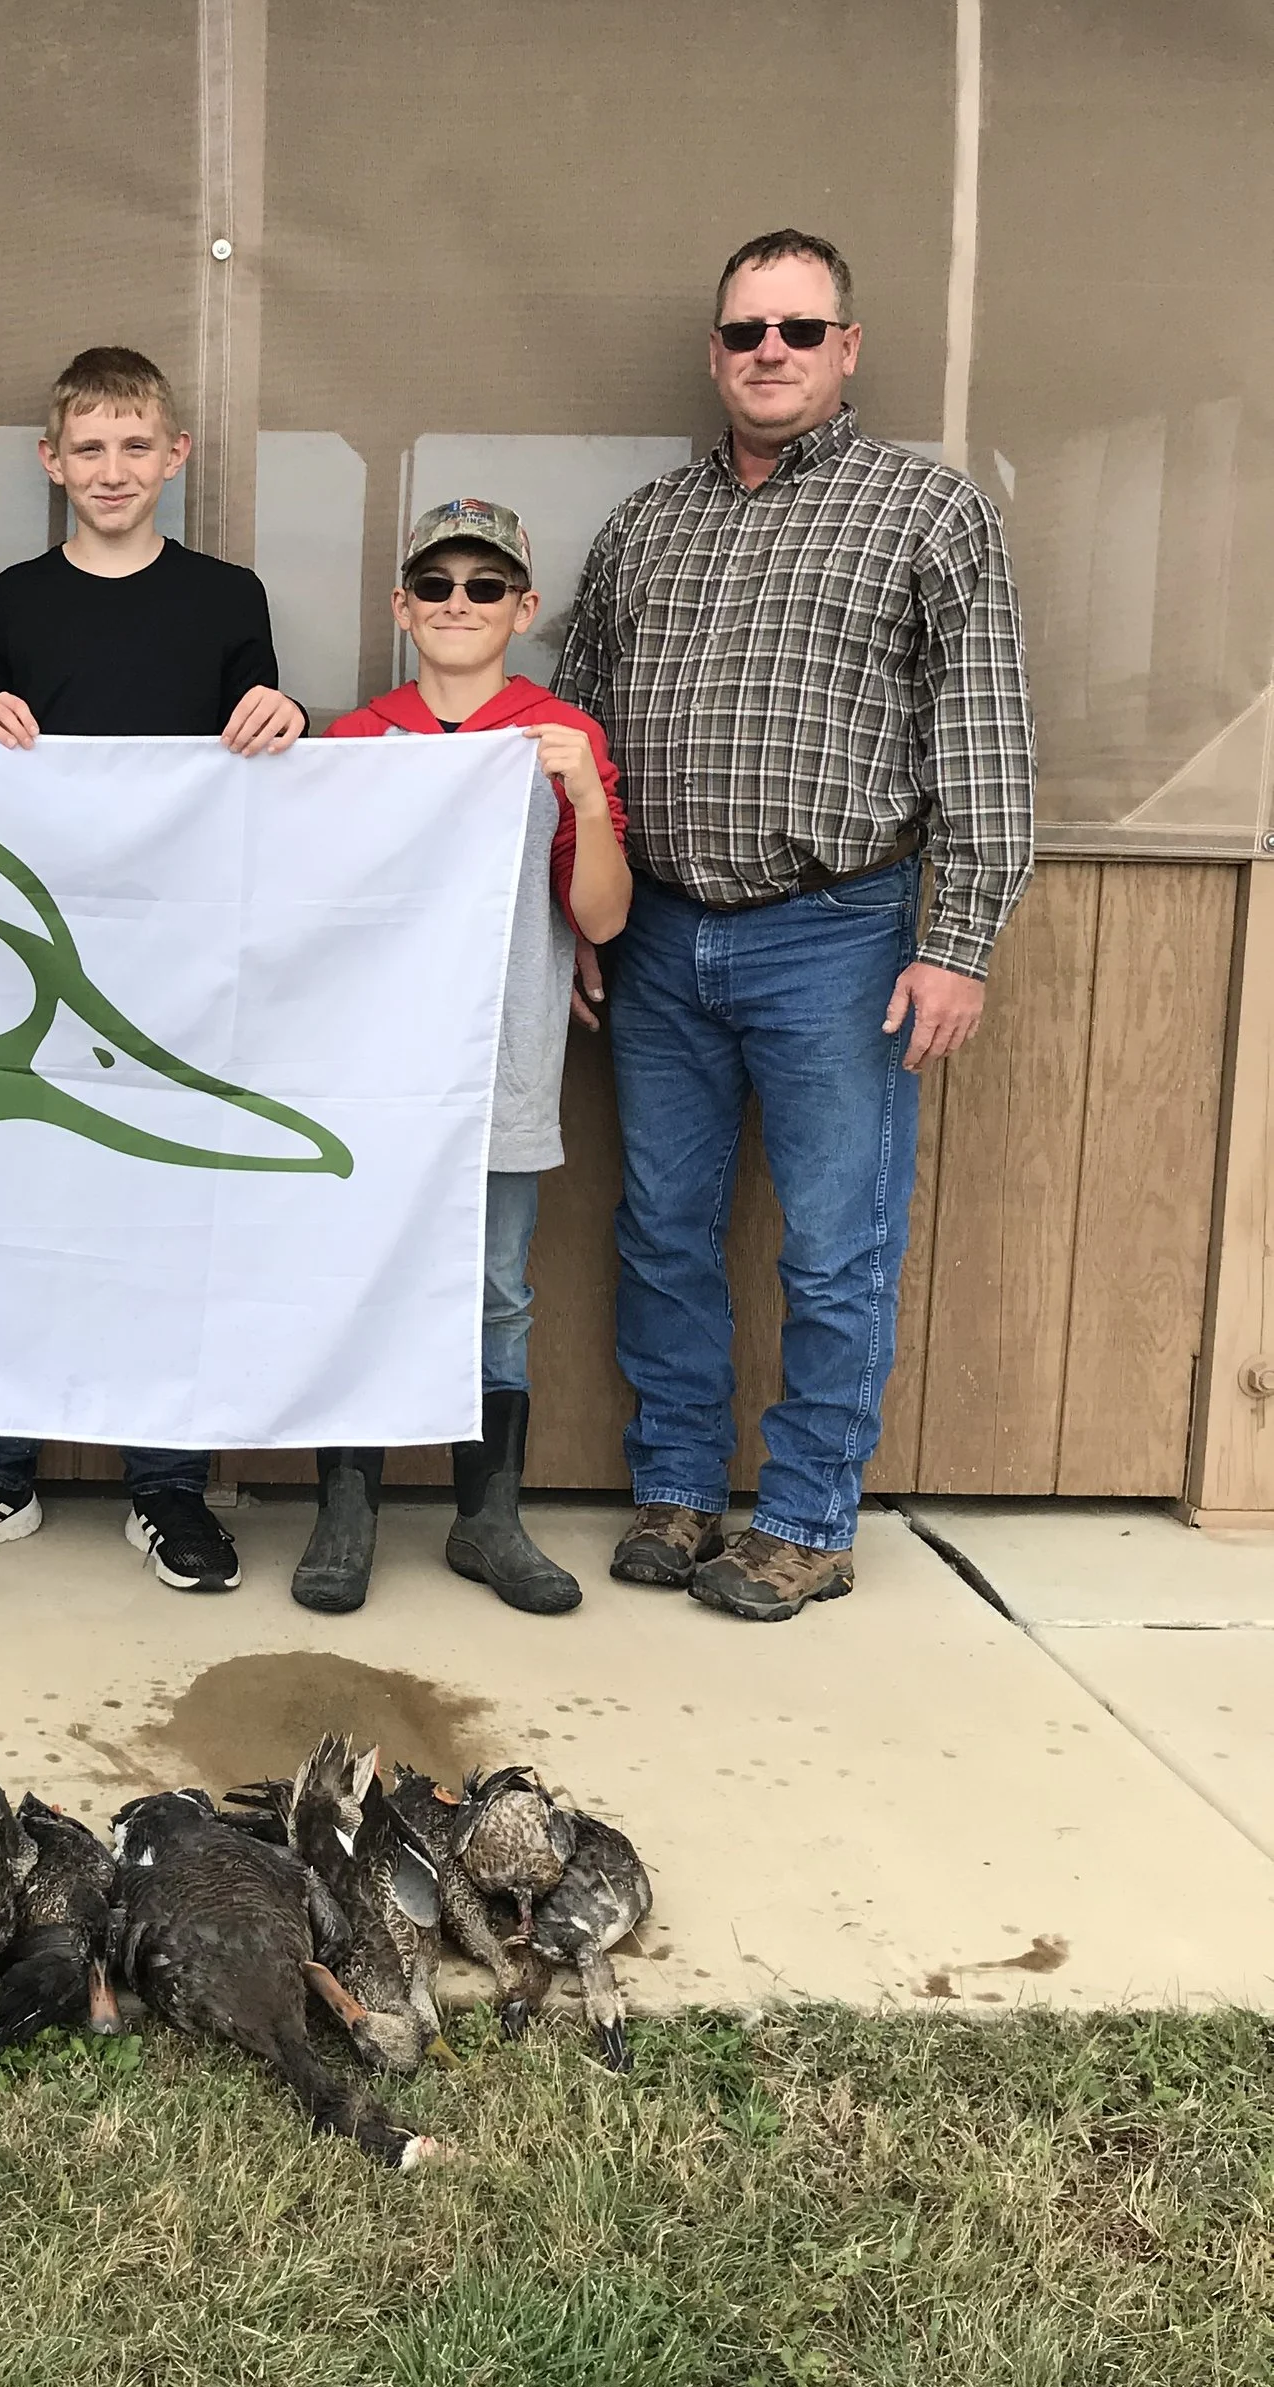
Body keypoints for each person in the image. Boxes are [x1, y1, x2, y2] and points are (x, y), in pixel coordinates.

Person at [557, 229, 1035, 1622]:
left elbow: (986, 741)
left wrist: (958, 941)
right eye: (748, 330)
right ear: (714, 351)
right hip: (655, 933)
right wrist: (577, 912)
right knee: (661, 1228)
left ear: (846, 349)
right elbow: (576, 723)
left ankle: (810, 1517)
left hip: (839, 932)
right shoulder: (647, 522)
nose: (773, 350)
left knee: (835, 1239)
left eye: (800, 330)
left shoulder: (928, 510)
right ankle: (678, 1489)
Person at [0, 344, 303, 1595]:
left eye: (137, 446)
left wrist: (280, 719)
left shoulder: (230, 594)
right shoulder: (2, 605)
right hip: (25, 962)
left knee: (168, 1209)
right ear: (50, 462)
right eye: (89, 448)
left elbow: (260, 758)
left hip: (174, 962)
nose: (112, 471)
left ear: (174, 457)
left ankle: (167, 1485)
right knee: (5, 1202)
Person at [298, 500, 629, 1617]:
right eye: (433, 586)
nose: (456, 605)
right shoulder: (355, 743)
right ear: (401, 606)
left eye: (483, 588)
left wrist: (583, 792)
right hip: (371, 1077)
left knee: (494, 1292)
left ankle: (487, 1519)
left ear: (521, 609)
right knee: (355, 1277)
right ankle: (346, 1509)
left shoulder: (557, 737)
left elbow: (603, 919)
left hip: (503, 1066)